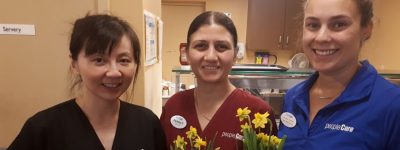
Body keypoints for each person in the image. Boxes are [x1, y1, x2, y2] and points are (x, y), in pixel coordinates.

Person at [8, 14, 166, 150]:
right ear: (74, 64)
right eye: (99, 60)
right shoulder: (43, 129)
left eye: (124, 60)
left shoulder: (147, 123)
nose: (114, 72)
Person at [278, 0, 400, 149]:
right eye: (313, 25)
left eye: (338, 24)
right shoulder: (293, 98)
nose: (322, 37)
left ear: (366, 29)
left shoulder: (392, 105)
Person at [160, 11, 278, 149]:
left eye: (221, 46)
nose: (211, 56)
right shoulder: (174, 106)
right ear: (186, 54)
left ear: (235, 54)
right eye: (201, 46)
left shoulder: (258, 113)